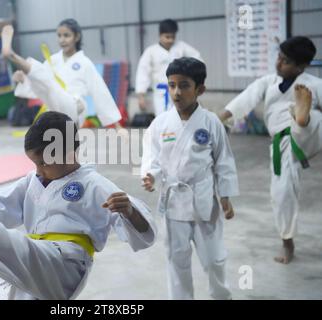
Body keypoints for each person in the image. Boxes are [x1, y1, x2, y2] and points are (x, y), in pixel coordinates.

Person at [0, 111, 157, 300]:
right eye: (35, 163)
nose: (38, 170)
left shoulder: (94, 184)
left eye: (43, 163)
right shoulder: (33, 181)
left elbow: (144, 233)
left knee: (17, 245)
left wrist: (129, 210)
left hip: (67, 263)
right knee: (20, 259)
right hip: (37, 262)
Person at [141, 57, 239, 300]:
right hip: (174, 203)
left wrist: (225, 195)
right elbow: (152, 158)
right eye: (171, 85)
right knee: (177, 260)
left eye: (184, 85)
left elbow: (224, 160)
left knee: (215, 259)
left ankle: (221, 295)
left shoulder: (211, 122)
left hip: (204, 199)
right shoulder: (160, 124)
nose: (176, 92)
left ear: (200, 89)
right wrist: (150, 176)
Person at [219, 36, 322, 264]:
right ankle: (288, 242)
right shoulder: (268, 82)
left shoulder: (314, 84)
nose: (278, 64)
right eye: (279, 58)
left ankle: (302, 116)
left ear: (301, 66)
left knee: (315, 118)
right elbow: (246, 98)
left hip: (307, 134)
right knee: (282, 193)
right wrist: (221, 117)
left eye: (285, 61)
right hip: (283, 144)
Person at [2, 19, 122, 128]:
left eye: (66, 35)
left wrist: (117, 126)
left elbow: (100, 91)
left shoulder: (84, 63)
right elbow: (38, 87)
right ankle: (12, 56)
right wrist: (24, 80)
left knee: (48, 83)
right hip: (54, 107)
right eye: (59, 36)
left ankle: (12, 55)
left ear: (77, 37)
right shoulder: (53, 60)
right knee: (44, 81)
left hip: (74, 106)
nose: (62, 40)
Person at [135, 19, 202, 116]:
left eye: (173, 37)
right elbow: (143, 72)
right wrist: (141, 96)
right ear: (160, 35)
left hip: (180, 92)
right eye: (167, 37)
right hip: (161, 93)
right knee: (163, 120)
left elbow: (198, 60)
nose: (171, 40)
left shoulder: (181, 47)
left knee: (182, 119)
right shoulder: (151, 51)